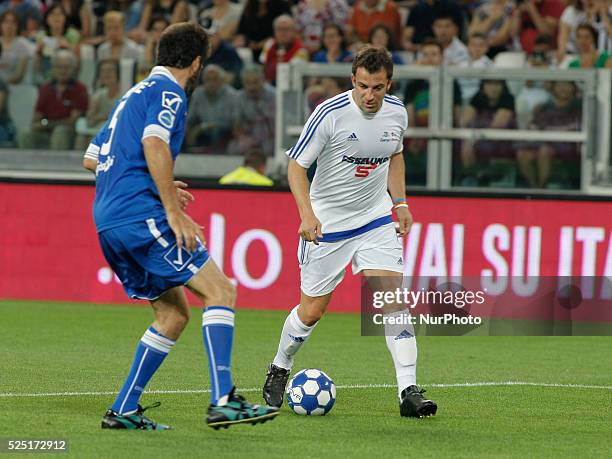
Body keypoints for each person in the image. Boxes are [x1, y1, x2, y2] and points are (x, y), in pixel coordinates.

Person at [81, 22, 279, 430]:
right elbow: (154, 143)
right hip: (141, 216)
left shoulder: (131, 96)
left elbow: (91, 158)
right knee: (220, 290)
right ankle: (224, 400)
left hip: (108, 221)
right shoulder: (170, 92)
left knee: (172, 314)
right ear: (196, 62)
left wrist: (161, 182)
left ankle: (123, 411)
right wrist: (171, 209)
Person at [262, 45, 438, 419]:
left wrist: (400, 202)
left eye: (377, 88)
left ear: (389, 84)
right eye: (362, 87)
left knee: (394, 301)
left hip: (374, 219)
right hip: (328, 225)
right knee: (312, 311)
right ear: (352, 81)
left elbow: (394, 154)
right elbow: (295, 165)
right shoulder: (329, 114)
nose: (369, 96)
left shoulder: (398, 112)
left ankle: (409, 390)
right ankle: (279, 366)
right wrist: (307, 215)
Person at [516, 81, 582, 188]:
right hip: (543, 142)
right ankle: (533, 187)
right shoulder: (543, 107)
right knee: (523, 153)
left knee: (544, 151)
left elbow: (576, 127)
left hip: (569, 144)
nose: (563, 88)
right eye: (559, 85)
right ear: (553, 88)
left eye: (567, 85)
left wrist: (548, 131)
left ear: (574, 88)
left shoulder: (579, 106)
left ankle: (542, 188)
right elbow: (533, 126)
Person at [20, 48, 88, 150]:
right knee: (25, 133)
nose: (63, 71)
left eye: (67, 68)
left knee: (60, 132)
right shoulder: (45, 88)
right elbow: (37, 117)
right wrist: (41, 124)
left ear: (73, 69)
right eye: (59, 67)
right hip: (46, 131)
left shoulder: (80, 89)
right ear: (53, 69)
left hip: (68, 132)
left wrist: (47, 124)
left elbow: (72, 121)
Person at [185, 64, 239, 152]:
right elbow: (190, 119)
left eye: (214, 79)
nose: (211, 83)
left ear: (222, 81)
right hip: (203, 133)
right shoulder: (198, 94)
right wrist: (186, 131)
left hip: (224, 132)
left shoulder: (232, 95)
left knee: (218, 133)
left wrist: (203, 127)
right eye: (208, 80)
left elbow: (234, 122)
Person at [259, 14, 308, 85]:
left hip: (290, 85)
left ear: (293, 32)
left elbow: (292, 74)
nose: (282, 33)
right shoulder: (269, 44)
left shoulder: (301, 51)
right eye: (279, 29)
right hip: (267, 83)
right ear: (274, 32)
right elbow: (262, 66)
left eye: (286, 29)